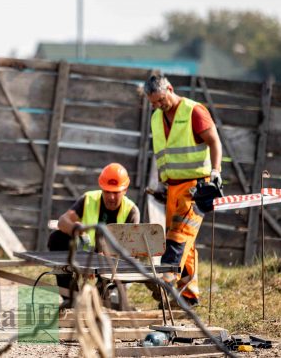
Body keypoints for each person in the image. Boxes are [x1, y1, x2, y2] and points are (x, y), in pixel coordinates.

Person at [143, 70, 222, 307]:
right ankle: (188, 296)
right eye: (153, 103)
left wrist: (216, 173)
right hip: (172, 187)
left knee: (179, 234)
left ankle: (166, 279)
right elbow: (162, 153)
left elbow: (214, 141)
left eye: (160, 99)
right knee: (184, 241)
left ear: (170, 89)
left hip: (196, 187)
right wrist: (161, 183)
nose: (158, 105)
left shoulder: (194, 111)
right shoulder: (157, 117)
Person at [48, 163, 140, 295]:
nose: (111, 197)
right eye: (107, 191)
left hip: (114, 264)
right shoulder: (89, 199)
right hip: (88, 255)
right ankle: (70, 297)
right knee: (57, 238)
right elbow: (63, 221)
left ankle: (100, 295)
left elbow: (130, 252)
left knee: (102, 299)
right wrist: (74, 228)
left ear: (125, 190)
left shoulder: (131, 211)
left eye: (116, 192)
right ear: (101, 188)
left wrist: (101, 261)